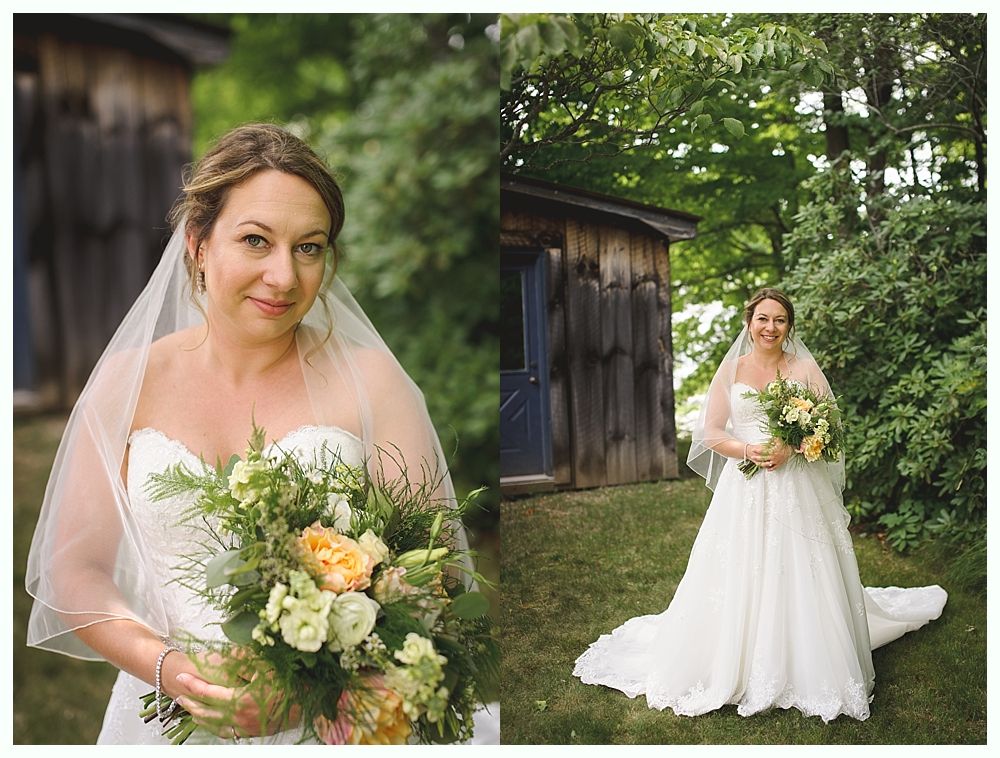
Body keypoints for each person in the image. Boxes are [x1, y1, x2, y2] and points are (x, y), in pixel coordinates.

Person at [25, 123, 498, 744]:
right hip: (169, 711)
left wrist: (313, 688)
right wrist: (174, 672)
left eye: (309, 247)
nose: (284, 276)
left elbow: (437, 572)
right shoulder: (127, 381)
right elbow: (75, 570)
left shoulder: (371, 382)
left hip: (337, 714)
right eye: (256, 240)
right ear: (197, 241)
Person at [573, 287, 947, 722]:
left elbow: (830, 429)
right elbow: (711, 433)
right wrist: (747, 451)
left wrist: (796, 445)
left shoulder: (804, 368)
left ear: (789, 327)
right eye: (763, 319)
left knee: (805, 565)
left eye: (780, 320)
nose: (771, 328)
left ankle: (810, 656)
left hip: (797, 485)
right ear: (749, 322)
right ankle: (740, 654)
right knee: (742, 566)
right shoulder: (731, 370)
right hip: (747, 485)